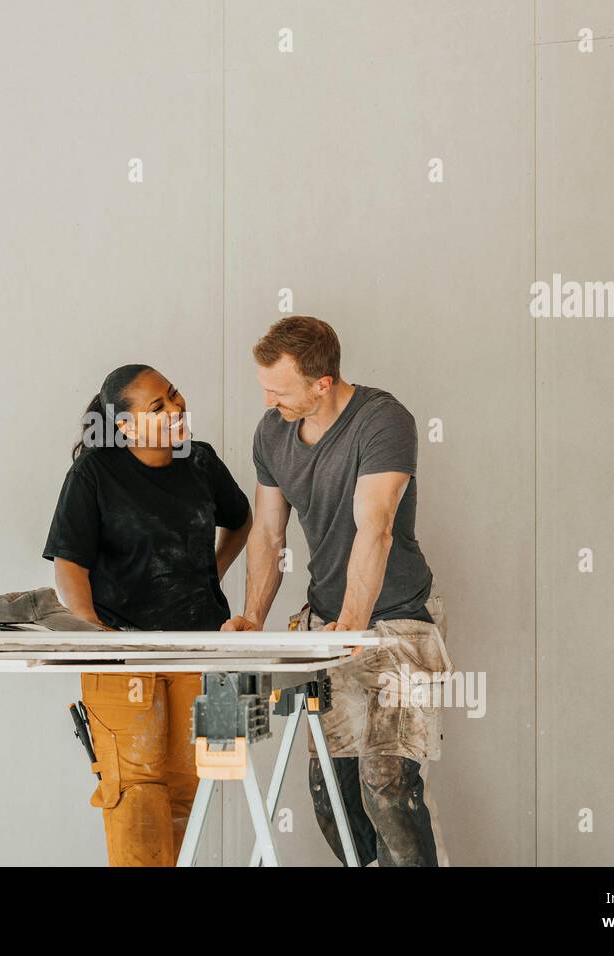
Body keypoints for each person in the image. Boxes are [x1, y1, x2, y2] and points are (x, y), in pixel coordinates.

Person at [222, 316, 453, 867]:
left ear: (322, 383)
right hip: (327, 624)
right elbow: (268, 531)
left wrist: (353, 622)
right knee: (332, 794)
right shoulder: (272, 431)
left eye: (279, 389)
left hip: (396, 622)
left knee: (388, 785)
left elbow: (375, 523)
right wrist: (253, 616)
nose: (267, 397)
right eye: (264, 385)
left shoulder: (382, 421)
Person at [43, 363, 252, 866]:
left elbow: (242, 520)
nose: (176, 408)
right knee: (135, 792)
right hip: (123, 654)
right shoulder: (95, 472)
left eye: (174, 394)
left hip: (203, 651)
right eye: (157, 406)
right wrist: (94, 632)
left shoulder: (200, 460)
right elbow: (69, 564)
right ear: (125, 426)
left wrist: (211, 574)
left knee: (192, 789)